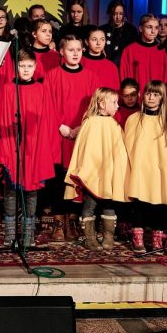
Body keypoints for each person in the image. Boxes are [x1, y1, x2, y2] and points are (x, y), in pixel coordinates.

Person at [0, 49, 59, 247]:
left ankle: (28, 235)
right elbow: (0, 119)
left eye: (30, 66)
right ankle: (10, 234)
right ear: (16, 67)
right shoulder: (7, 89)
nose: (26, 69)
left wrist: (45, 149)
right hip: (12, 146)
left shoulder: (41, 89)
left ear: (35, 67)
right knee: (11, 190)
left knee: (31, 191)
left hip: (34, 148)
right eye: (22, 66)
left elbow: (48, 120)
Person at [44, 34, 99, 242]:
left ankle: (72, 220)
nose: (75, 53)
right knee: (59, 179)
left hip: (81, 135)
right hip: (58, 133)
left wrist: (80, 127)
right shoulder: (52, 75)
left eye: (78, 49)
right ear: (61, 52)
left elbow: (95, 106)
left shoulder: (91, 77)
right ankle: (59, 223)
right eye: (70, 50)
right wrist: (62, 127)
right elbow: (47, 104)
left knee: (76, 179)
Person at [123, 80, 167, 253]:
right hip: (140, 169)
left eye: (156, 94)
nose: (151, 97)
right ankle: (138, 237)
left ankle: (157, 237)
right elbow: (128, 146)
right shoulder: (134, 119)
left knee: (161, 201)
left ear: (162, 98)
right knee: (140, 203)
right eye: (148, 93)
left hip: (160, 169)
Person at [65, 87, 129, 251]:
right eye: (114, 102)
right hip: (91, 174)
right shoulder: (90, 122)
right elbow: (84, 150)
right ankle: (90, 238)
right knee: (89, 205)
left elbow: (120, 150)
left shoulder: (114, 124)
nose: (117, 106)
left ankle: (108, 237)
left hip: (109, 174)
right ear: (101, 103)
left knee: (109, 205)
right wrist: (86, 171)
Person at [119, 13, 167, 93]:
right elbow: (124, 76)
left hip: (158, 97)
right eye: (149, 27)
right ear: (141, 28)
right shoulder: (129, 50)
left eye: (156, 28)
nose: (153, 31)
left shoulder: (163, 50)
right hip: (135, 97)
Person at [99, 0, 138, 66]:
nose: (118, 17)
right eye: (115, 14)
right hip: (104, 65)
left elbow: (132, 51)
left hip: (123, 66)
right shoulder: (102, 29)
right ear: (110, 14)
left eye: (121, 14)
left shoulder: (131, 30)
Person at [81, 25, 120, 89]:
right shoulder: (80, 63)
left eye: (102, 39)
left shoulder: (111, 67)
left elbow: (115, 92)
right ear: (87, 42)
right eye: (94, 39)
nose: (98, 43)